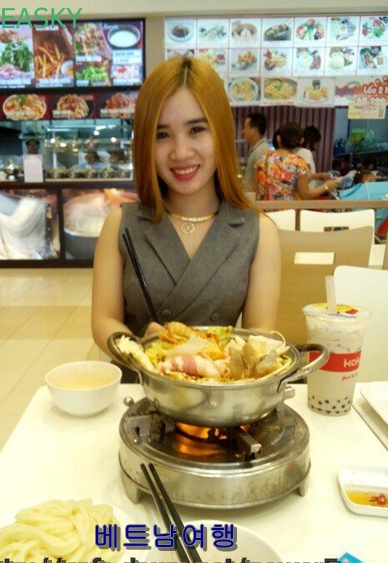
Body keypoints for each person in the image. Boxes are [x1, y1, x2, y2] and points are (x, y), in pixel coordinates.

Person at [92, 56, 281, 360]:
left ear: (220, 132)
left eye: (196, 130)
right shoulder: (120, 225)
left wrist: (209, 359)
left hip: (221, 384)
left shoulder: (259, 231)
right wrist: (142, 351)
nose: (180, 152)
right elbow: (103, 320)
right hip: (138, 383)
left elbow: (260, 335)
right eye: (162, 135)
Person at [255, 122, 341, 201]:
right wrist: (327, 186)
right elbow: (306, 195)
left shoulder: (264, 157)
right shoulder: (298, 162)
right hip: (288, 211)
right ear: (301, 141)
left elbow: (256, 189)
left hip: (263, 210)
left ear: (278, 138)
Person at [242, 112, 269, 193]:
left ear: (253, 130)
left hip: (255, 198)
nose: (243, 131)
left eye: (245, 128)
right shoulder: (257, 148)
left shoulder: (261, 150)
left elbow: (261, 181)